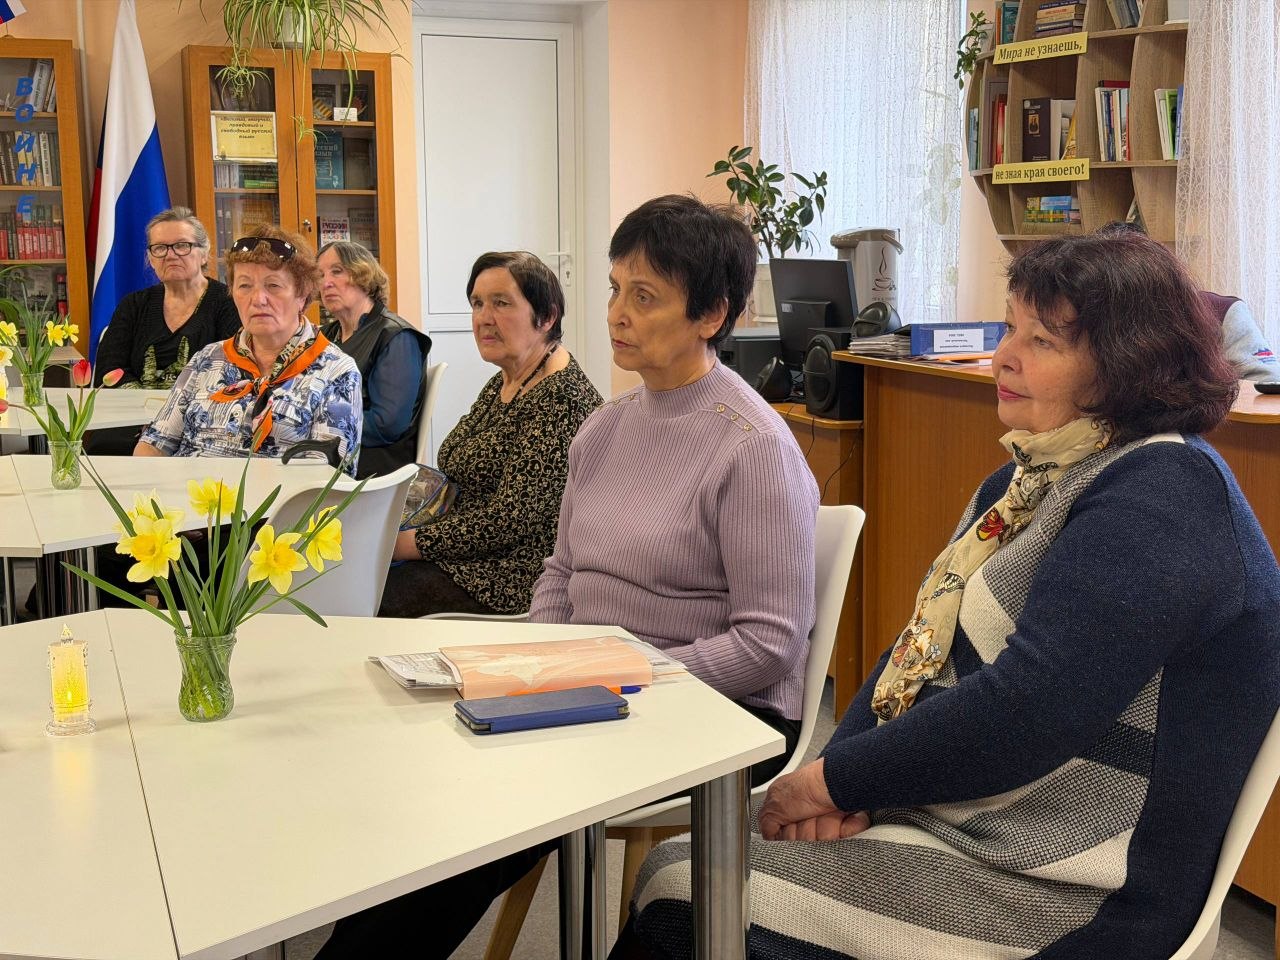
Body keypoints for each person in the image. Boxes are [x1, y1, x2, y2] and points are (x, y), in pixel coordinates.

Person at [616, 228, 1280, 960]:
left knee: (689, 889)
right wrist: (843, 780)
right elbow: (919, 654)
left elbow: (1029, 709)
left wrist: (835, 780)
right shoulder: (1027, 481)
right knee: (690, 872)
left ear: (1128, 363)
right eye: (1010, 328)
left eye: (1043, 341)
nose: (1003, 356)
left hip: (1074, 885)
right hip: (980, 822)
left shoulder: (1166, 495)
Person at [317, 195, 819, 959]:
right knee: (418, 778)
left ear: (711, 314)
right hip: (590, 682)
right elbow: (561, 572)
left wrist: (611, 669)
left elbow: (768, 646)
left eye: (644, 296)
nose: (617, 312)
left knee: (477, 809)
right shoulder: (607, 427)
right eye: (616, 288)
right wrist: (532, 660)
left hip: (718, 709)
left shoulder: (752, 446)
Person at [378, 250, 601, 617]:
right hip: (467, 551)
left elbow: (507, 521)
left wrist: (406, 544)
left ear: (546, 316)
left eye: (501, 303)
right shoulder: (510, 378)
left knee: (369, 594)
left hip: (512, 572)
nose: (483, 318)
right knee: (349, 569)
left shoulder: (561, 399)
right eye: (477, 303)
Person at [135, 225, 362, 475]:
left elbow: (328, 479)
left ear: (302, 295)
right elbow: (154, 444)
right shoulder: (207, 358)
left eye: (273, 285)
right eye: (244, 286)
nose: (258, 299)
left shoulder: (335, 370)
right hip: (188, 502)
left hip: (276, 510)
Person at [318, 241, 431, 478]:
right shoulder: (326, 335)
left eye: (337, 271)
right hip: (330, 455)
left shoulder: (396, 336)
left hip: (374, 466)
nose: (326, 282)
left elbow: (386, 424)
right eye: (320, 275)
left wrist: (319, 426)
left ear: (364, 275)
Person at [94, 207, 240, 389]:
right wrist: (145, 405)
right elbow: (108, 370)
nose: (170, 255)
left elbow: (234, 372)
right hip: (137, 413)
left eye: (182, 246)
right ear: (150, 258)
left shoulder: (229, 302)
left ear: (203, 254)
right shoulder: (133, 305)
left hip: (202, 413)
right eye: (160, 248)